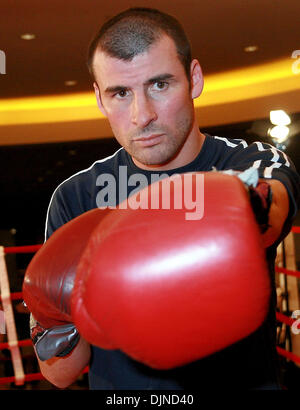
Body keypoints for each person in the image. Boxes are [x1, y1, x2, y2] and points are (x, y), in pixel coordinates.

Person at [32, 8, 299, 390]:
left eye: (160, 84)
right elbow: (59, 374)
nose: (143, 116)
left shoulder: (251, 161)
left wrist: (237, 205)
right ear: (99, 99)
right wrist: (61, 310)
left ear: (194, 79)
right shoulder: (76, 196)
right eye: (120, 93)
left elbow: (270, 208)